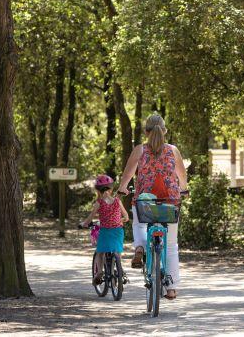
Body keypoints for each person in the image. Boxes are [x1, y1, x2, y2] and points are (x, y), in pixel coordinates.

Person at [117, 114, 188, 300]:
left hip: (144, 201)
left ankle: (140, 247)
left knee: (140, 225)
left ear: (146, 132)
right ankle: (171, 288)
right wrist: (184, 190)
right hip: (170, 201)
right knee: (171, 245)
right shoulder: (173, 150)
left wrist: (122, 189)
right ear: (164, 131)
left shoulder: (139, 150)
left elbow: (127, 176)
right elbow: (182, 176)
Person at [80, 174, 129, 286]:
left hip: (105, 231)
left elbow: (90, 217)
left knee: (100, 252)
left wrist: (84, 224)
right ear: (111, 189)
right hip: (117, 231)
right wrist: (120, 220)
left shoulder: (99, 203)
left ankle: (99, 273)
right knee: (117, 251)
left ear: (98, 191)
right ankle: (119, 269)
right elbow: (126, 217)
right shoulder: (117, 201)